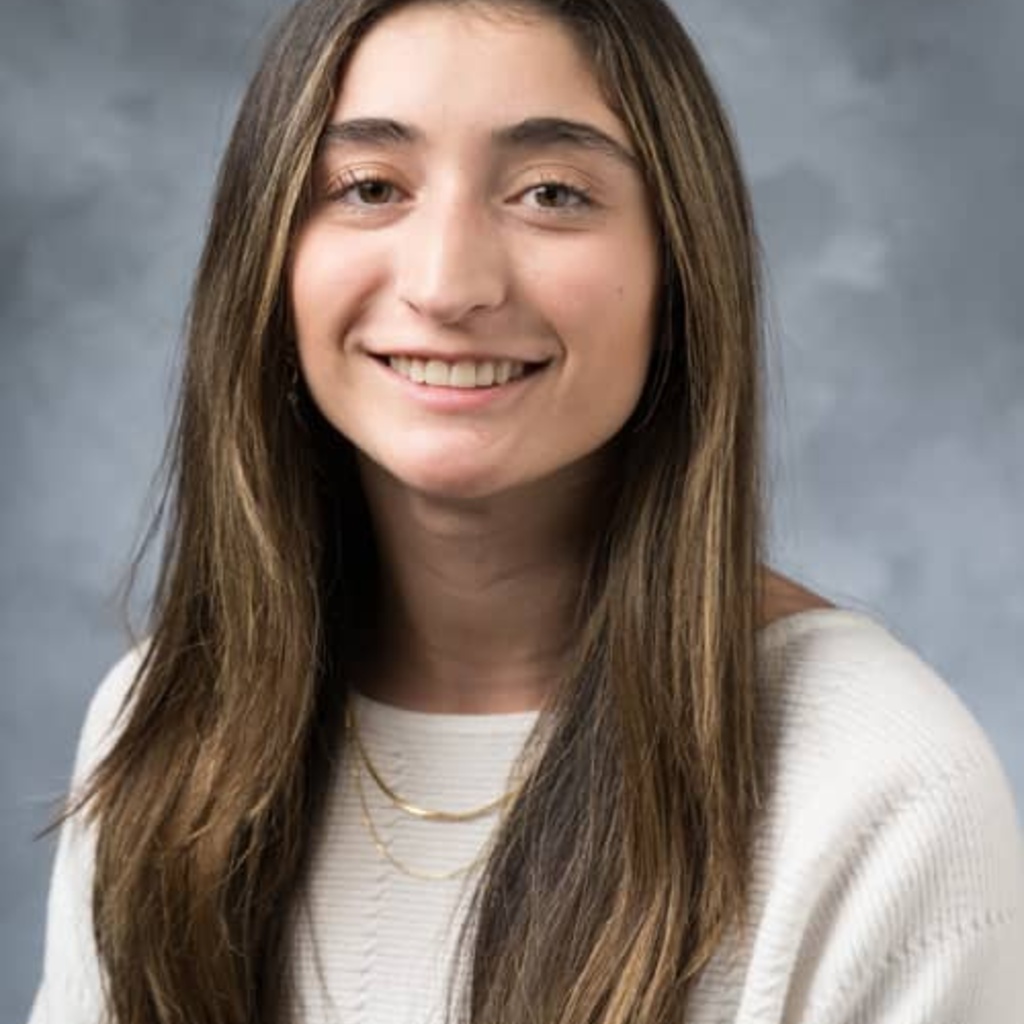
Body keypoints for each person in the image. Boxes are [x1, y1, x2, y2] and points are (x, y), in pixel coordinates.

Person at [27, 0, 1023, 1021]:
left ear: (677, 268)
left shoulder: (878, 788)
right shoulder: (167, 722)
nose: (448, 284)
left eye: (551, 193)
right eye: (369, 187)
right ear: (267, 258)